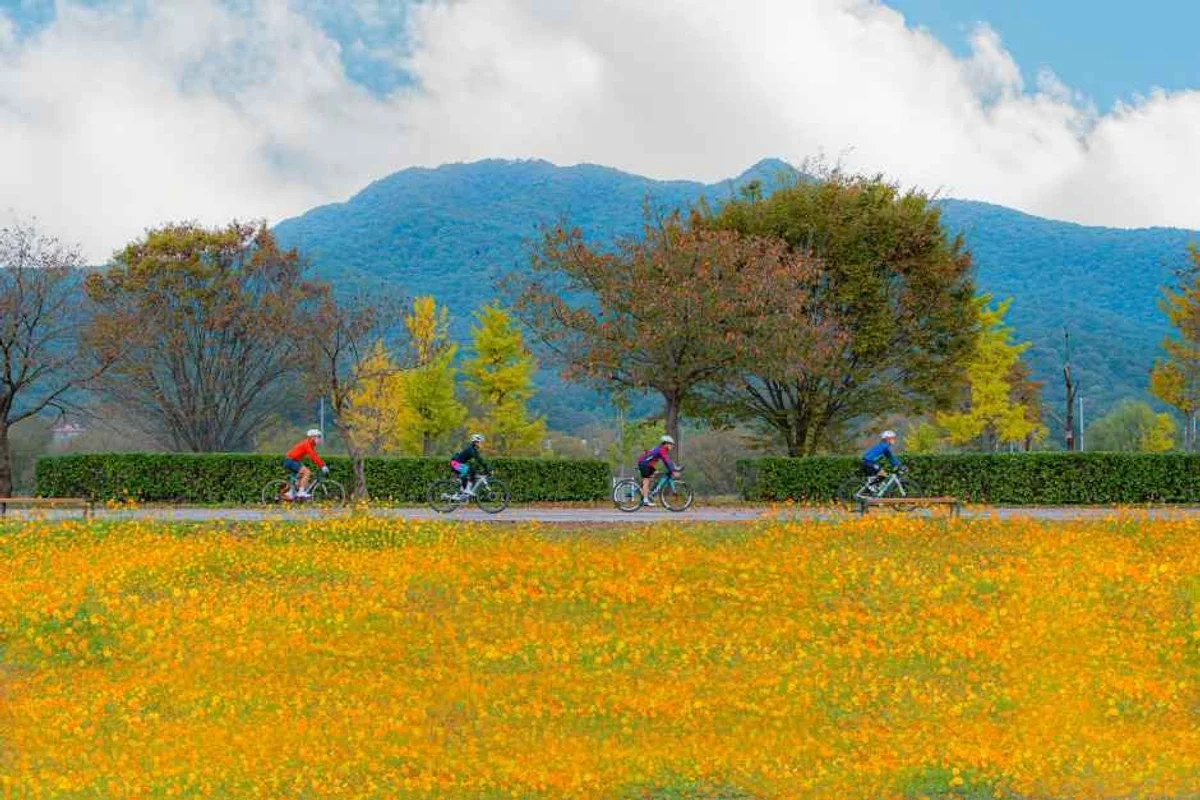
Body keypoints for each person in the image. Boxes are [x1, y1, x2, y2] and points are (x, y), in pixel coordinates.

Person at [283, 429, 327, 499]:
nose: (319, 439)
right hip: (291, 461)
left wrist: (321, 464)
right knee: (307, 472)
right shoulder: (307, 444)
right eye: (318, 437)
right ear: (313, 437)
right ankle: (300, 492)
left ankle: (291, 493)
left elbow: (314, 455)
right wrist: (322, 466)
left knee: (299, 478)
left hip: (293, 461)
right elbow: (313, 456)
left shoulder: (309, 444)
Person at [637, 435, 678, 506]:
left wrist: (673, 468)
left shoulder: (661, 449)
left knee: (656, 473)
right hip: (644, 463)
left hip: (647, 464)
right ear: (666, 444)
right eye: (671, 444)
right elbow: (666, 461)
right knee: (646, 480)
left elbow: (668, 461)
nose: (672, 446)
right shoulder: (662, 450)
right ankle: (645, 500)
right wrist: (672, 471)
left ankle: (645, 491)